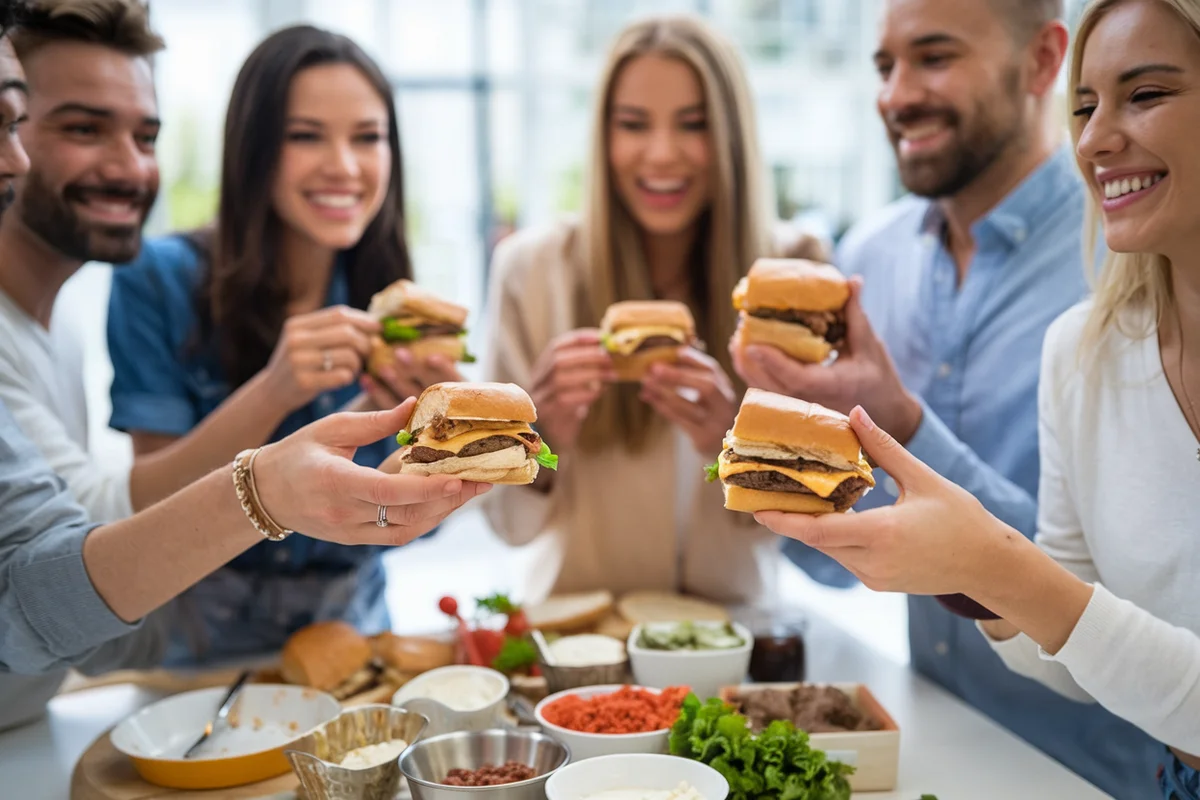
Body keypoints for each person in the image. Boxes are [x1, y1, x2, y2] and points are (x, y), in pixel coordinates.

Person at [759, 2, 1200, 795]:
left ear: (1037, 62)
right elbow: (1060, 618)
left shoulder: (1098, 253)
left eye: (1146, 95)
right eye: (1088, 105)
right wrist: (763, 464)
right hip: (949, 750)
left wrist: (983, 555)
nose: (1096, 139)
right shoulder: (1084, 343)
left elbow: (1071, 599)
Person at [104, 25, 461, 665]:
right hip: (199, 647)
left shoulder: (397, 305)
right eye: (305, 136)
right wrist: (273, 391)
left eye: (367, 137)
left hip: (355, 637)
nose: (345, 166)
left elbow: (396, 533)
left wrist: (431, 448)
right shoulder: (157, 280)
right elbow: (147, 503)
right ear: (254, 149)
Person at [480, 15, 826, 604]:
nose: (662, 154)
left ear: (731, 136)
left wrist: (739, 449)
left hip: (732, 633)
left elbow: (822, 536)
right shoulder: (531, 271)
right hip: (581, 635)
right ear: (602, 135)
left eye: (694, 124)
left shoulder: (796, 272)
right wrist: (540, 444)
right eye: (633, 125)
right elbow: (505, 526)